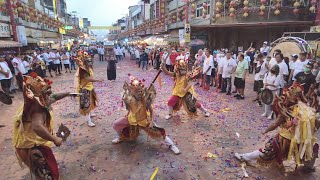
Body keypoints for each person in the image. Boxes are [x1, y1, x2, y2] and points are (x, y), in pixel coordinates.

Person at [235, 83, 320, 173]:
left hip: (285, 139)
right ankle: (309, 167)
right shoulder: (305, 108)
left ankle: (244, 157)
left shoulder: (287, 110)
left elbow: (274, 125)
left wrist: (265, 131)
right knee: (312, 148)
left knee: (267, 151)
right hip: (302, 140)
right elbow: (316, 123)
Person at [13, 72, 79, 179]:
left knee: (46, 172)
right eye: (46, 93)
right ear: (39, 96)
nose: (50, 95)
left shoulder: (39, 101)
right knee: (46, 175)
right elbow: (37, 126)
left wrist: (68, 93)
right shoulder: (37, 109)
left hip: (33, 143)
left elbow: (54, 97)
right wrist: (55, 139)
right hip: (29, 147)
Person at [111, 76, 180, 154]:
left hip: (144, 120)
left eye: (138, 86)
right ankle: (120, 137)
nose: (136, 88)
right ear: (131, 88)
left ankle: (172, 145)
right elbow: (130, 108)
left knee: (160, 133)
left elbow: (151, 110)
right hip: (132, 119)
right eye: (134, 86)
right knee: (116, 124)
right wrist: (126, 116)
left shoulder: (145, 98)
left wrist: (151, 121)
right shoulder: (129, 97)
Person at [74, 51, 103, 127]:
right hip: (85, 89)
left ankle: (91, 113)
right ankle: (88, 120)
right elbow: (87, 78)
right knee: (87, 105)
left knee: (91, 102)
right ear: (85, 62)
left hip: (90, 88)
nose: (90, 62)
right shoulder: (82, 70)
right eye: (88, 61)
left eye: (91, 60)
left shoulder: (89, 68)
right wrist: (97, 80)